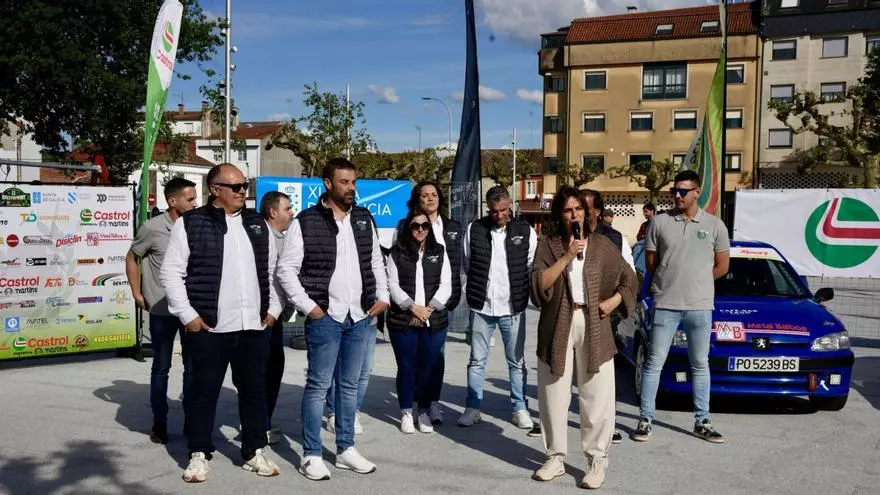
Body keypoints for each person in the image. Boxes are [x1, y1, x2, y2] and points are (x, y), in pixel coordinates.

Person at [160, 164, 282, 482]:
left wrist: (274, 309)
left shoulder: (257, 223)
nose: (243, 191)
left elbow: (272, 271)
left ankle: (254, 451)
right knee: (203, 392)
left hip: (254, 326)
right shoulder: (191, 223)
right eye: (236, 186)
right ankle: (199, 453)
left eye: (245, 186)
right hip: (210, 327)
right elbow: (171, 272)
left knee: (255, 391)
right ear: (215, 190)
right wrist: (187, 315)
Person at [276, 158, 389, 481]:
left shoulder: (363, 218)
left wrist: (383, 296)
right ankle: (311, 454)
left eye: (354, 182)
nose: (351, 188)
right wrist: (309, 307)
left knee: (349, 386)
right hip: (326, 316)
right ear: (327, 183)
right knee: (318, 386)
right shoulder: (306, 221)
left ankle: (345, 449)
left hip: (360, 315)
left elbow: (375, 261)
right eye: (344, 182)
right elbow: (286, 270)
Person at [530, 186, 636, 489]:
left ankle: (597, 460)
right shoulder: (548, 245)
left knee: (596, 395)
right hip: (557, 325)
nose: (574, 215)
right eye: (568, 210)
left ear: (587, 213)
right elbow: (538, 284)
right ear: (559, 215)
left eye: (578, 209)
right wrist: (566, 256)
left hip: (594, 323)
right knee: (553, 394)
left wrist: (614, 301)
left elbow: (630, 279)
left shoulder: (602, 245)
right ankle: (555, 457)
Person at [632, 170, 730, 444]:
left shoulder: (715, 225)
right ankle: (645, 419)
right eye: (674, 190)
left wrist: (698, 282)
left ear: (697, 192)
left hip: (700, 307)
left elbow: (722, 266)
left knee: (700, 364)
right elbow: (652, 263)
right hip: (666, 303)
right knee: (654, 363)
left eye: (683, 191)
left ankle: (702, 421)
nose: (677, 195)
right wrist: (671, 282)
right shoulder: (659, 223)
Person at [458, 185, 537, 430]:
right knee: (476, 361)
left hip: (513, 309)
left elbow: (530, 265)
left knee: (516, 362)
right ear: (487, 208)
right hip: (482, 308)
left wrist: (521, 294)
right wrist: (471, 292)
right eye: (494, 211)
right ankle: (473, 408)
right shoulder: (474, 230)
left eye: (503, 210)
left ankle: (519, 408)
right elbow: (466, 264)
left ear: (510, 205)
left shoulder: (526, 231)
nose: (499, 215)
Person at [126, 177, 197, 445]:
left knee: (192, 368)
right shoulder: (152, 228)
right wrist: (136, 292)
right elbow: (132, 257)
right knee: (161, 367)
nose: (195, 203)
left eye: (195, 198)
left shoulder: (197, 225)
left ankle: (192, 420)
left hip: (191, 311)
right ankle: (160, 421)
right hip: (161, 310)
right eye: (190, 199)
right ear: (172, 201)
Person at [393, 181, 463, 425]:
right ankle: (412, 405)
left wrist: (436, 305)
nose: (430, 199)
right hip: (412, 307)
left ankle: (432, 403)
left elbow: (458, 263)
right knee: (412, 361)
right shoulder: (404, 226)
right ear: (417, 200)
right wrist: (414, 307)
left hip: (440, 304)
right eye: (425, 195)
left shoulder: (453, 228)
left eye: (434, 194)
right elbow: (398, 264)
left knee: (435, 359)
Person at [387, 210, 452, 434]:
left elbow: (446, 284)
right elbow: (393, 285)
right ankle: (406, 411)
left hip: (433, 319)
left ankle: (423, 410)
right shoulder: (396, 253)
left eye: (425, 226)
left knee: (427, 369)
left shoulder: (439, 251)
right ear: (409, 228)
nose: (421, 229)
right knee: (407, 368)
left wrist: (428, 310)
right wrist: (413, 308)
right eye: (416, 226)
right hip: (403, 319)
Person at [259, 191, 295, 445]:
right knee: (261, 371)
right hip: (262, 316)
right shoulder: (260, 237)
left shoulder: (286, 238)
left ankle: (264, 421)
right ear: (273, 212)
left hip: (277, 315)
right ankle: (258, 423)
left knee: (274, 368)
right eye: (287, 208)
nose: (291, 213)